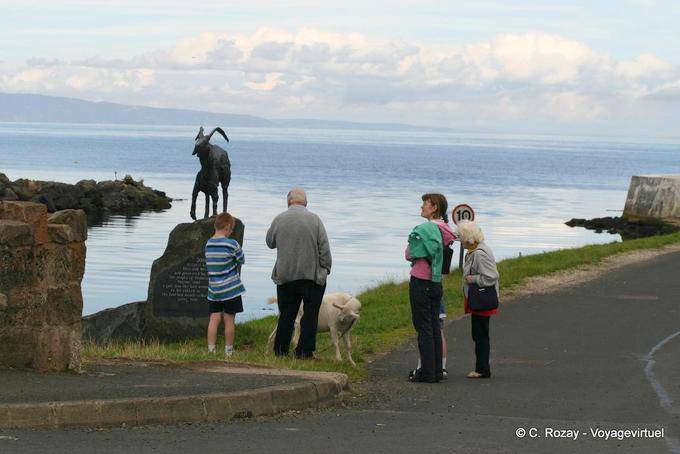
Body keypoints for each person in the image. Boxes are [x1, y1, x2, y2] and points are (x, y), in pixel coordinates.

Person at [266, 188, 332, 359]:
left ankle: (280, 351)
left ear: (288, 202)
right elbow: (324, 249)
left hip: (286, 276)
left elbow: (270, 242)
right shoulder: (315, 220)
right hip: (311, 277)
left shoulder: (279, 219)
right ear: (306, 202)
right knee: (310, 316)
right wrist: (325, 270)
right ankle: (304, 352)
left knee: (286, 315)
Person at [405, 193, 455, 383]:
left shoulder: (425, 229)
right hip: (436, 282)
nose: (422, 208)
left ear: (434, 207)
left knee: (423, 326)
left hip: (421, 279)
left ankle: (426, 372)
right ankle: (435, 370)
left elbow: (409, 254)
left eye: (425, 204)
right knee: (434, 325)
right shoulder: (446, 229)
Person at [458, 220, 499, 379]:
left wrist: (473, 279)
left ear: (468, 238)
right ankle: (481, 367)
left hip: (482, 300)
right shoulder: (477, 250)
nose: (460, 241)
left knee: (480, 334)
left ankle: (482, 369)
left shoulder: (479, 254)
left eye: (461, 237)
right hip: (479, 299)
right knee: (479, 333)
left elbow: (492, 276)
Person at [205, 212, 245, 357]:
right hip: (230, 289)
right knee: (229, 320)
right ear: (227, 227)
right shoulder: (232, 244)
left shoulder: (208, 244)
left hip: (214, 290)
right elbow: (241, 260)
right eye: (231, 229)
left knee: (214, 319)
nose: (231, 232)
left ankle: (211, 349)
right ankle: (228, 350)